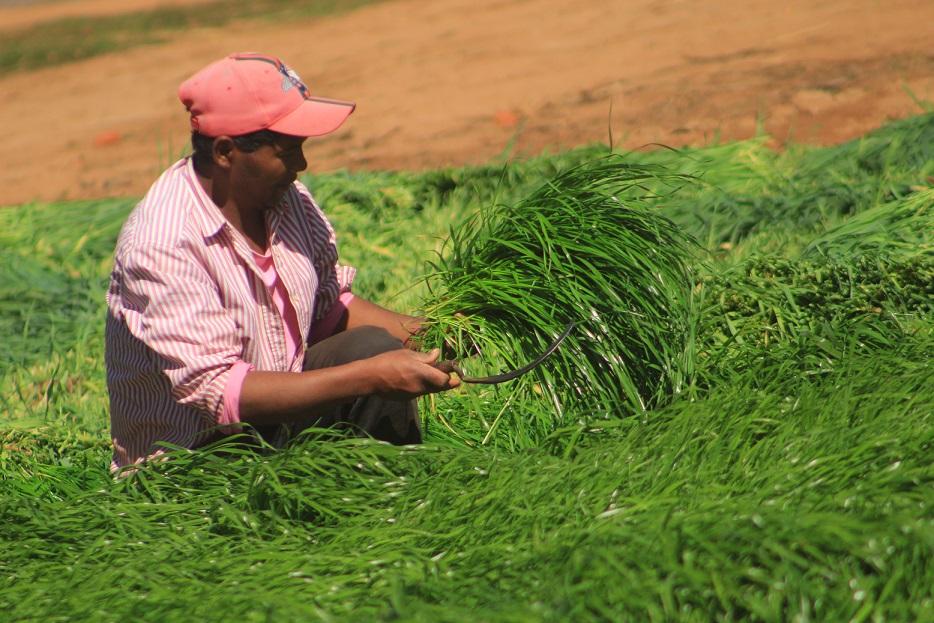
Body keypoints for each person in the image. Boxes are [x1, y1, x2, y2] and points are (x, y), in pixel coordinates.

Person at [105, 52, 458, 473]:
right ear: (225, 152)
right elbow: (223, 396)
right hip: (199, 462)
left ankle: (397, 497)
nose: (302, 165)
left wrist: (431, 334)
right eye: (287, 150)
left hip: (275, 418)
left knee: (372, 347)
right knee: (371, 363)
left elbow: (327, 307)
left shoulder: (286, 201)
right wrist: (373, 377)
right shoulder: (163, 243)